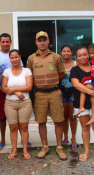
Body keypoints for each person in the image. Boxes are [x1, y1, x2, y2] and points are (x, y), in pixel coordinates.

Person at [27, 31, 67, 160]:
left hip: (55, 92)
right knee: (41, 121)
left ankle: (59, 147)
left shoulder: (56, 57)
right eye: (40, 40)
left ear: (48, 41)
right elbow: (29, 76)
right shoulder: (31, 58)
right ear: (36, 42)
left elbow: (62, 74)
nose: (42, 42)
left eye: (44, 39)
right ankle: (45, 147)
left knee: (58, 120)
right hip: (39, 94)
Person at [0, 33, 28, 150]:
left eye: (7, 41)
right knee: (2, 117)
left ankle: (24, 140)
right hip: (0, 89)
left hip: (17, 89)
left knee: (19, 117)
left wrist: (16, 90)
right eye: (3, 41)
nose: (5, 44)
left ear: (10, 42)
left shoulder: (15, 54)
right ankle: (3, 139)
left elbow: (22, 73)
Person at [70, 46, 94, 162]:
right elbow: (76, 84)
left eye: (85, 54)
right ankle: (86, 151)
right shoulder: (75, 70)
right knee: (84, 127)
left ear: (88, 54)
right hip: (81, 102)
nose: (82, 57)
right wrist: (91, 92)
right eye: (80, 55)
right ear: (77, 57)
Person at [1, 49, 33, 159]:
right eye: (12, 58)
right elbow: (3, 88)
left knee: (24, 127)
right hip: (10, 103)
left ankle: (25, 149)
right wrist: (17, 92)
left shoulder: (27, 71)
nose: (14, 59)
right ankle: (14, 150)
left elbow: (29, 87)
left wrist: (13, 88)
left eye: (16, 57)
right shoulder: (7, 72)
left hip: (25, 103)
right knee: (13, 128)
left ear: (20, 57)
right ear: (9, 59)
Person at [76, 43, 94, 125]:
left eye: (93, 53)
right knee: (93, 99)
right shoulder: (93, 61)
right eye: (90, 53)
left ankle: (81, 107)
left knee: (84, 89)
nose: (92, 55)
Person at [60, 45, 78, 150]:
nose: (66, 53)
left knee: (72, 116)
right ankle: (65, 136)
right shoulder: (59, 64)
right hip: (62, 92)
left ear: (71, 52)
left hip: (73, 92)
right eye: (64, 51)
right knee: (64, 116)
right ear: (61, 53)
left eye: (68, 51)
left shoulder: (77, 64)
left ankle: (74, 138)